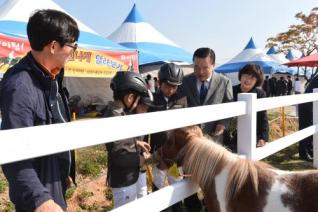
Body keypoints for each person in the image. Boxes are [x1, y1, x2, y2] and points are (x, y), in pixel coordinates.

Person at [0, 9, 79, 212]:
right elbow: (13, 152)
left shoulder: (53, 79)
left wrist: (64, 169)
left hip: (55, 185)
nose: (73, 53)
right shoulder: (20, 86)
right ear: (53, 46)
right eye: (73, 46)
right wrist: (40, 200)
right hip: (39, 200)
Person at [178, 47, 233, 211]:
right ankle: (192, 205)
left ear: (213, 65)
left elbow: (230, 107)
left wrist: (223, 123)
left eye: (204, 67)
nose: (200, 71)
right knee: (188, 177)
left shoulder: (224, 82)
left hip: (213, 141)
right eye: (196, 67)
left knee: (213, 179)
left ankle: (212, 205)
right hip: (190, 141)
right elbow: (178, 106)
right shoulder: (185, 81)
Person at [103, 71, 152, 208]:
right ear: (130, 97)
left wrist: (136, 142)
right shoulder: (115, 118)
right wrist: (141, 160)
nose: (136, 105)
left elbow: (119, 140)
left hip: (128, 176)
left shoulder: (119, 113)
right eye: (137, 100)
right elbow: (118, 155)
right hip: (123, 179)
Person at [148, 63, 187, 212]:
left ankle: (177, 208)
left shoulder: (182, 100)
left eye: (174, 87)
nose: (171, 90)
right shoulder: (152, 100)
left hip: (177, 154)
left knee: (176, 184)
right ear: (159, 82)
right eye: (168, 86)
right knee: (158, 183)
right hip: (158, 151)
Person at [224, 64, 269, 151]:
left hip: (250, 132)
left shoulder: (260, 94)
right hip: (228, 131)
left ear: (257, 81)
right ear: (241, 76)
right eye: (246, 76)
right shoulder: (230, 90)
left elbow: (263, 117)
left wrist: (263, 137)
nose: (248, 80)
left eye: (252, 78)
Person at [297, 75, 318, 161]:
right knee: (305, 129)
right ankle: (303, 153)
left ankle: (310, 150)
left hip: (313, 106)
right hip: (307, 105)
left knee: (311, 130)